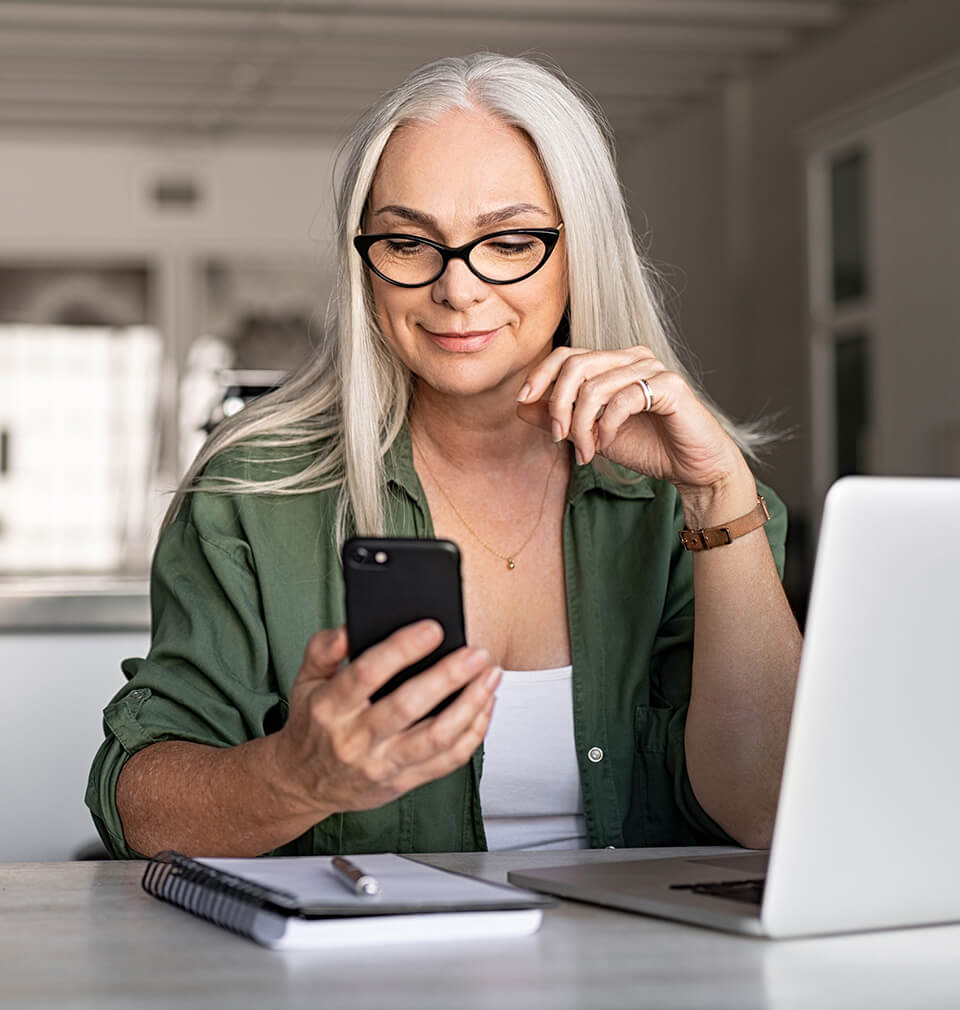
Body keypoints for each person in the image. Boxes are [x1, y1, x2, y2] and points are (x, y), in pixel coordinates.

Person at [86, 53, 802, 860]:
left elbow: (769, 811)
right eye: (407, 242)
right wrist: (296, 776)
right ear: (366, 265)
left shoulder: (696, 502)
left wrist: (718, 497)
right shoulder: (254, 491)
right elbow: (138, 806)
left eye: (508, 241)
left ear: (580, 249)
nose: (456, 289)